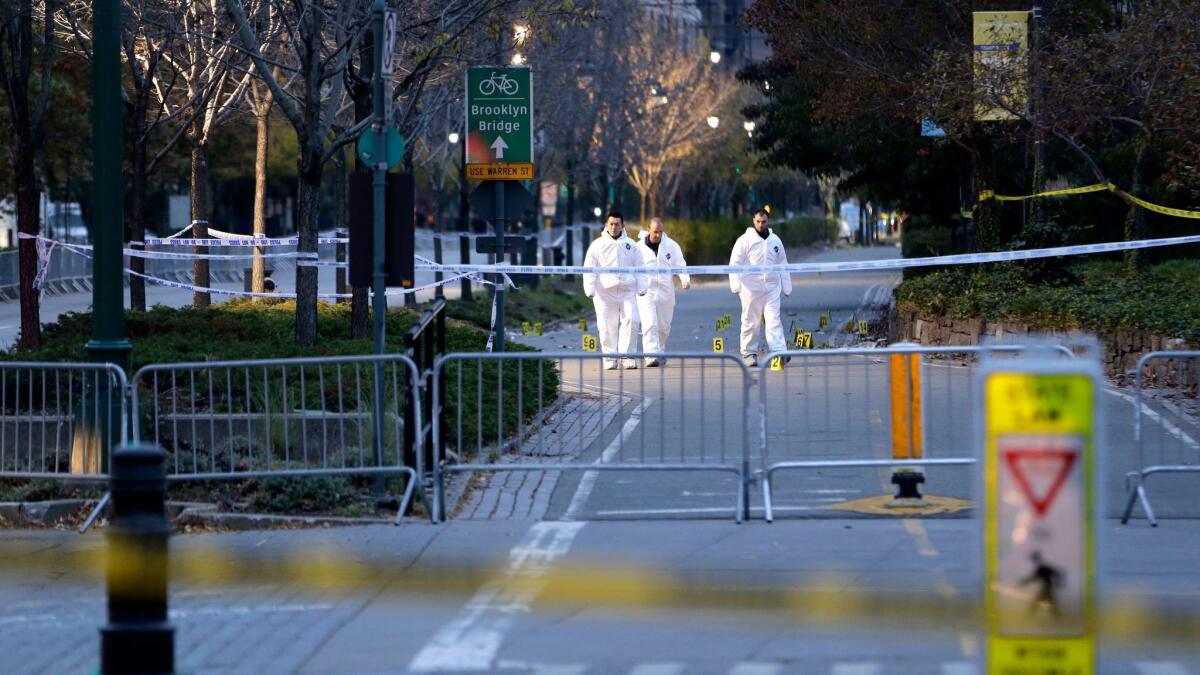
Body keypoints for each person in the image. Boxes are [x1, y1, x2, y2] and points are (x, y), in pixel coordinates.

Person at [728, 209, 792, 367]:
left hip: (771, 288)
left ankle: (779, 352)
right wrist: (735, 285)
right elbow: (734, 263)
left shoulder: (775, 240)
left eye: (763, 222)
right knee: (751, 321)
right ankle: (749, 353)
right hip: (750, 288)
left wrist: (787, 285)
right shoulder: (744, 240)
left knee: (773, 320)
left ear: (768, 221)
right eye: (757, 221)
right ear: (753, 221)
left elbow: (783, 263)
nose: (760, 224)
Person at [583, 211, 646, 369]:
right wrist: (589, 288)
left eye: (617, 224)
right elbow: (589, 268)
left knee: (632, 321)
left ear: (622, 226)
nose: (614, 227)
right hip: (604, 292)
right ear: (606, 225)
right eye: (611, 223)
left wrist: (642, 286)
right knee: (606, 326)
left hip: (627, 291)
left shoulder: (631, 245)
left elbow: (640, 267)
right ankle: (610, 359)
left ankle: (627, 357)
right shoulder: (597, 245)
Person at [636, 218, 690, 367]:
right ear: (648, 229)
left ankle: (660, 351)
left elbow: (680, 263)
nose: (658, 235)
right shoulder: (638, 247)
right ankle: (650, 355)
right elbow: (630, 267)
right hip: (646, 292)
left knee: (664, 326)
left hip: (666, 291)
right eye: (655, 232)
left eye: (660, 232)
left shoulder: (671, 246)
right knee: (649, 323)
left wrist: (685, 279)